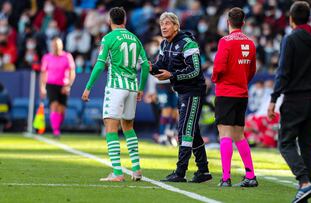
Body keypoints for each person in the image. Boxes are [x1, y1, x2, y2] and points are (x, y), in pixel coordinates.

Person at [267, 2, 311, 202]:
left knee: (285, 143)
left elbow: (283, 72)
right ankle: (306, 189)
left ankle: (304, 182)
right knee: (307, 145)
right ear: (308, 17)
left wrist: (274, 99)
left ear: (291, 18)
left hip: (296, 99)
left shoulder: (290, 39)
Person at [81, 7, 150, 182]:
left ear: (109, 21)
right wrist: (141, 88)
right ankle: (136, 169)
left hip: (116, 87)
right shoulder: (135, 39)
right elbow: (146, 66)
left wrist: (88, 87)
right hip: (132, 88)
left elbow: (99, 65)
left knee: (111, 128)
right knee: (128, 127)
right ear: (125, 21)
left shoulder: (108, 38)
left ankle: (117, 172)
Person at [151, 12, 212, 183]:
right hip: (182, 91)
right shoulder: (164, 44)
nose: (163, 26)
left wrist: (172, 75)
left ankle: (180, 172)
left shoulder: (188, 43)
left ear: (176, 26)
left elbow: (195, 70)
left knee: (185, 130)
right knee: (193, 131)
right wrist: (149, 67)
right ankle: (203, 171)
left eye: (168, 23)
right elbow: (159, 65)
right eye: (162, 23)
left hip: (193, 91)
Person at [211, 7, 258, 187]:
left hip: (226, 92)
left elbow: (219, 68)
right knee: (239, 135)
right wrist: (242, 80)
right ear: (243, 23)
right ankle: (251, 176)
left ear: (228, 22)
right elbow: (252, 70)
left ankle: (225, 178)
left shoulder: (225, 42)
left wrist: (216, 79)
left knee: (225, 134)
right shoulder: (251, 43)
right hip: (242, 93)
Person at [40, 37, 76, 137]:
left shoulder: (67, 56)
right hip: (51, 84)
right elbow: (43, 73)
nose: (56, 47)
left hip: (63, 85)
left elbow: (72, 72)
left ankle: (57, 127)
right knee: (54, 105)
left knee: (61, 109)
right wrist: (42, 87)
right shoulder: (47, 57)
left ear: (61, 46)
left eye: (57, 45)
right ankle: (56, 131)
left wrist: (68, 85)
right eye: (54, 45)